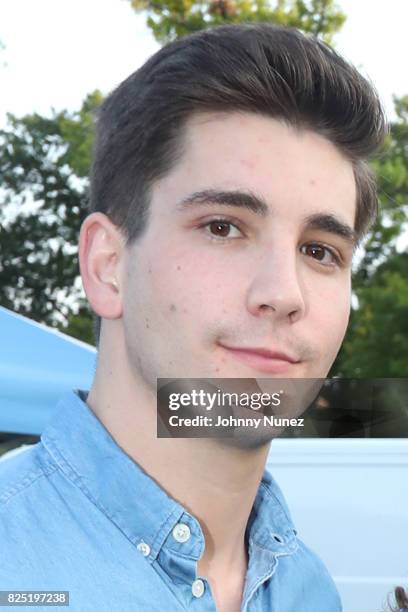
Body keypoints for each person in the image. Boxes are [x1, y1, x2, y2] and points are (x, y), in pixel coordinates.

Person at [0, 23, 387, 611]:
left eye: (319, 251)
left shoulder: (310, 591)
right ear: (108, 266)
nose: (284, 294)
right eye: (223, 227)